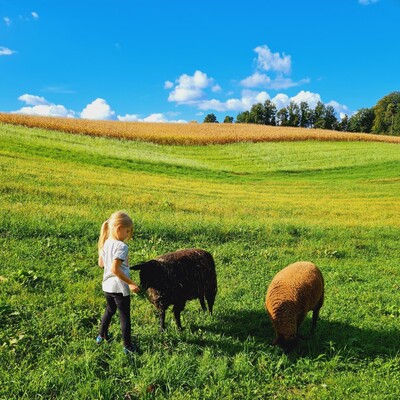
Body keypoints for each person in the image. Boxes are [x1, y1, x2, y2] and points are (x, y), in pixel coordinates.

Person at [96, 211, 140, 354]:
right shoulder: (121, 247)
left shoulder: (106, 243)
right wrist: (131, 283)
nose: (128, 235)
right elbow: (115, 269)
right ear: (119, 228)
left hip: (107, 286)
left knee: (110, 310)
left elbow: (101, 264)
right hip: (119, 288)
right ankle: (128, 347)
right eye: (127, 232)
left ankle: (101, 336)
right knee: (124, 317)